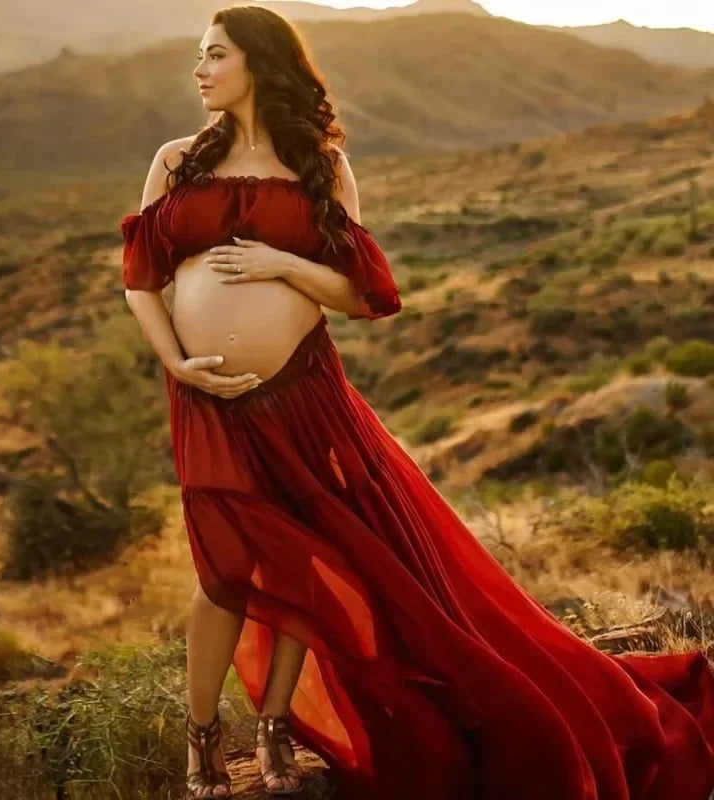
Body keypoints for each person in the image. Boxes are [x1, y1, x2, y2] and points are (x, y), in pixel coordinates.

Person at [120, 6, 714, 800]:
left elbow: (359, 294)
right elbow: (141, 280)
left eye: (215, 55)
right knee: (224, 568)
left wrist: (282, 265)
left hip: (303, 395)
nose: (199, 70)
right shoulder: (176, 161)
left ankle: (274, 726)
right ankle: (201, 737)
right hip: (210, 400)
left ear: (258, 61)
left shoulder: (322, 166)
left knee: (304, 558)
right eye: (200, 56)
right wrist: (178, 364)